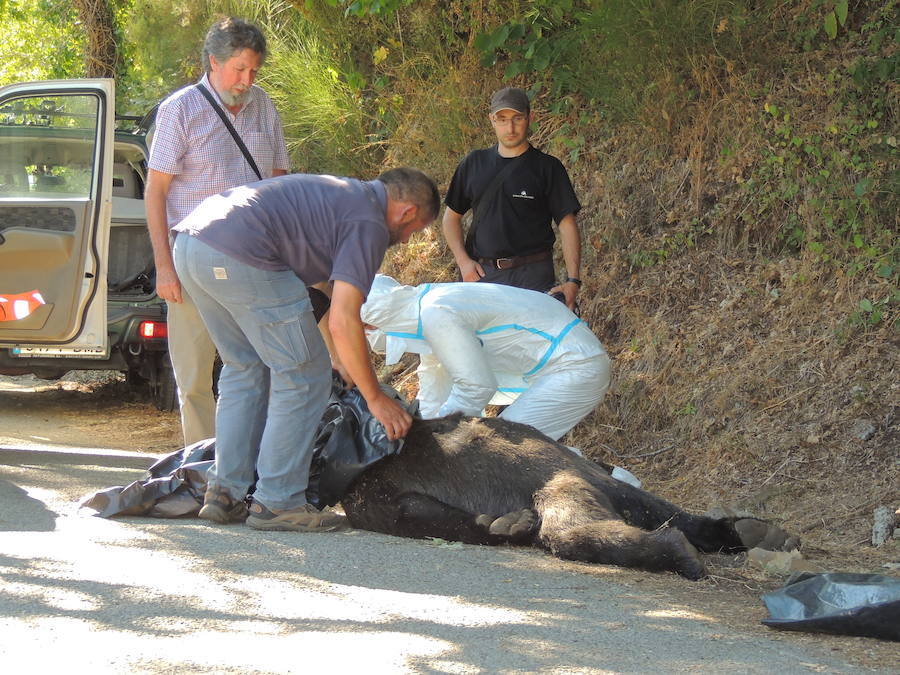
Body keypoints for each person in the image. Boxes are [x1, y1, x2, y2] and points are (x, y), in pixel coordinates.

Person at [172, 168, 439, 531]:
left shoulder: (343, 196)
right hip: (241, 254)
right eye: (414, 230)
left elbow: (325, 289)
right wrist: (375, 397)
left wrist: (346, 321)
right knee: (305, 375)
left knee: (244, 366)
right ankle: (278, 501)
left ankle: (225, 492)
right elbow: (341, 322)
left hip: (193, 244)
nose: (406, 241)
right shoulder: (370, 222)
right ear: (407, 211)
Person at [146, 17, 290, 447]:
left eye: (254, 71)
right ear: (214, 61)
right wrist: (163, 267)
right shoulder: (180, 109)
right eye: (239, 69)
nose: (247, 81)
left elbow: (281, 182)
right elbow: (156, 192)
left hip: (255, 260)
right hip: (192, 258)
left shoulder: (264, 106)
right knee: (193, 375)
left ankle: (250, 461)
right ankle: (202, 464)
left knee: (256, 367)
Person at [360, 275, 611, 442]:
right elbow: (435, 384)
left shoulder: (436, 314)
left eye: (363, 330)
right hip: (555, 365)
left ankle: (620, 490)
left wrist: (437, 437)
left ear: (373, 323)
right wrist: (420, 432)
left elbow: (476, 387)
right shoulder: (426, 310)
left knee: (507, 448)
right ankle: (613, 484)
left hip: (574, 363)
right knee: (521, 450)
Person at [442, 86, 583, 311]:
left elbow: (567, 226)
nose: (510, 128)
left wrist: (573, 281)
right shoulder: (474, 164)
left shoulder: (548, 168)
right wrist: (463, 262)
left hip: (534, 278)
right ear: (492, 120)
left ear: (530, 118)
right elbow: (450, 218)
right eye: (502, 119)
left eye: (517, 118)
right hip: (483, 278)